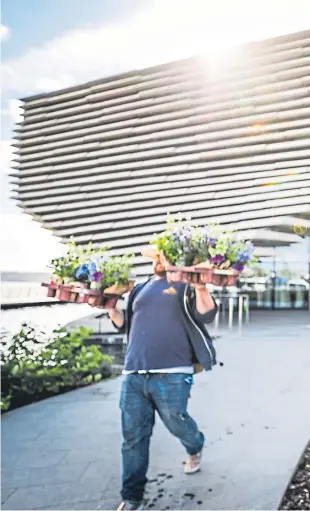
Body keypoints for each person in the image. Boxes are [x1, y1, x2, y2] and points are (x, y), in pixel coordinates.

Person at [102, 254, 218, 511]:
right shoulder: (141, 288)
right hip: (133, 373)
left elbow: (207, 313)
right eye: (156, 256)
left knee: (177, 422)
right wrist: (111, 307)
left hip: (173, 373)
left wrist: (200, 286)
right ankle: (132, 498)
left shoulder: (186, 285)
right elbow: (125, 325)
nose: (159, 259)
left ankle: (195, 444)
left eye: (164, 255)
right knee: (133, 439)